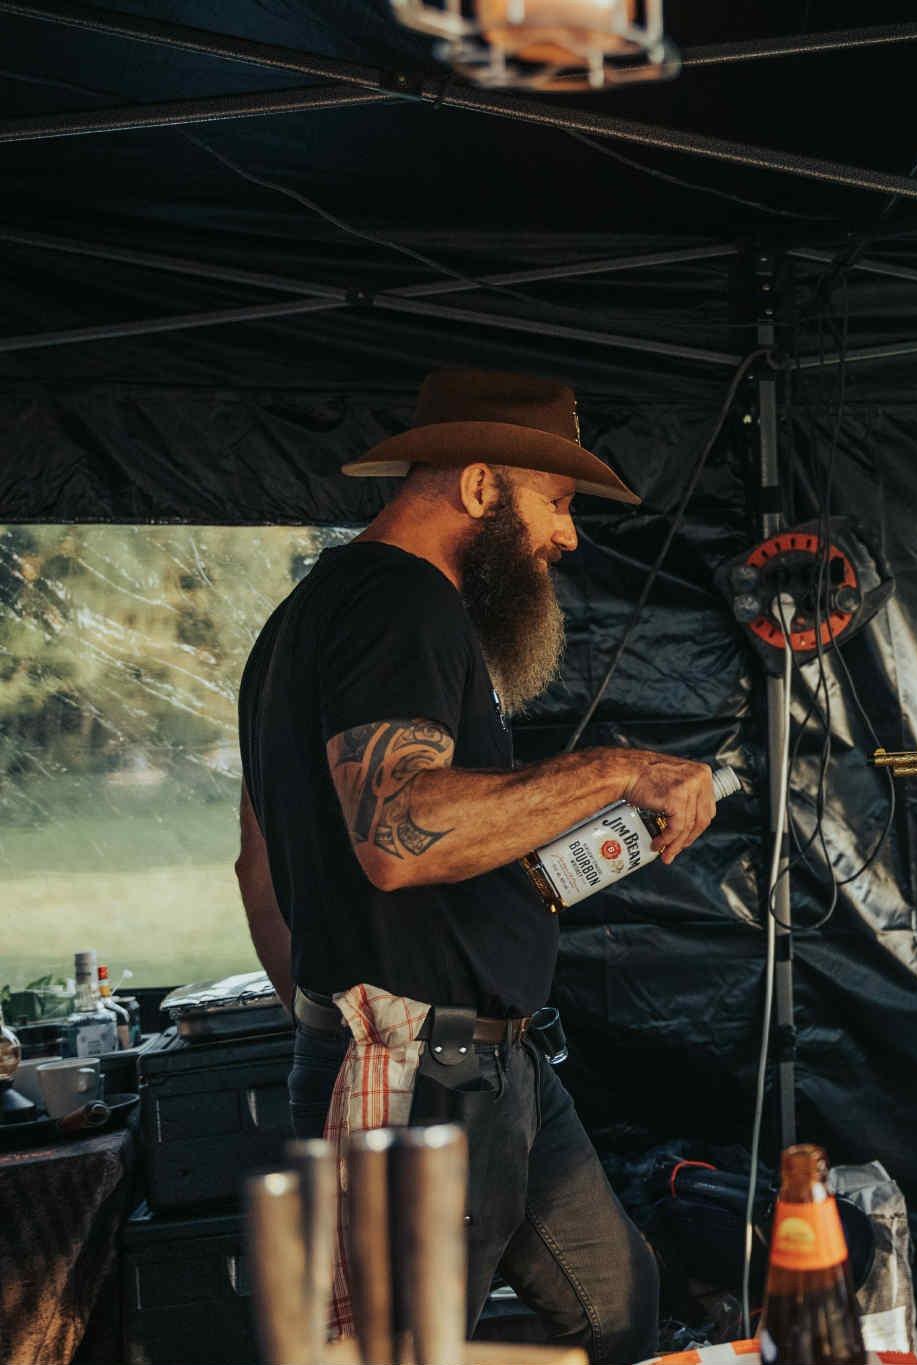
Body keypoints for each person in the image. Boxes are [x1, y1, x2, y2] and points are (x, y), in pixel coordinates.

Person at [236, 368, 720, 1364]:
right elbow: (399, 831)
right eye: (557, 503)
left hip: (487, 1063)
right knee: (405, 1351)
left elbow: (257, 866)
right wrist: (620, 768)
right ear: (477, 486)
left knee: (615, 1305)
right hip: (429, 1070)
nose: (567, 538)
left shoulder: (301, 620)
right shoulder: (397, 602)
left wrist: (330, 1029)